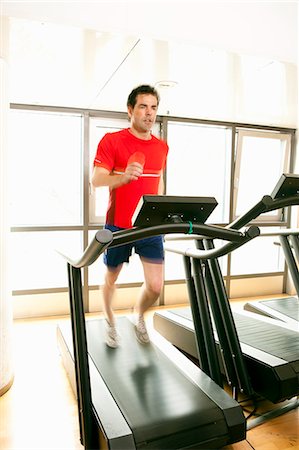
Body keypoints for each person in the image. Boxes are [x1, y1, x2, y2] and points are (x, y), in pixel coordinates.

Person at [91, 84, 169, 348]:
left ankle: (138, 315)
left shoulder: (162, 147)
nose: (149, 113)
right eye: (143, 106)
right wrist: (122, 177)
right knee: (111, 278)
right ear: (130, 110)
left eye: (154, 107)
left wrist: (162, 211)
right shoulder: (112, 141)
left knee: (156, 286)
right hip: (118, 226)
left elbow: (158, 184)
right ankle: (110, 319)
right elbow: (96, 179)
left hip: (149, 226)